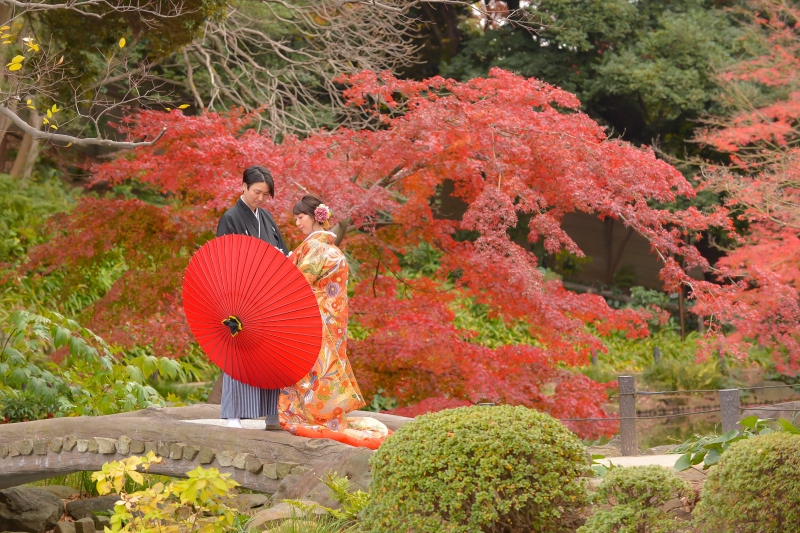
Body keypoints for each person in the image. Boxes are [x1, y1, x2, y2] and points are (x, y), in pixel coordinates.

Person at [278, 195, 389, 449]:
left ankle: (313, 415)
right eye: (295, 218)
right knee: (325, 367)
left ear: (315, 217)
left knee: (312, 368)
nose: (297, 223)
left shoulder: (316, 248)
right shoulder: (330, 248)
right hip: (332, 319)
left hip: (314, 319)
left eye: (300, 217)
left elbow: (296, 283)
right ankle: (326, 414)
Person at [216, 165, 288, 430]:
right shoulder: (231, 218)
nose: (260, 198)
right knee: (239, 355)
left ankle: (273, 413)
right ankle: (233, 414)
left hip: (268, 298)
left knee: (271, 355)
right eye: (257, 191)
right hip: (241, 298)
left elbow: (284, 254)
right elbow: (225, 259)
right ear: (243, 186)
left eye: (265, 194)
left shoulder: (267, 218)